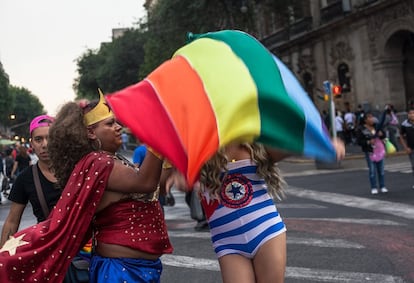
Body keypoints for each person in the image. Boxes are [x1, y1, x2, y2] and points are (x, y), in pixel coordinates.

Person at [0, 92, 172, 282]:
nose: (118, 127)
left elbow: (158, 186)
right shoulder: (99, 162)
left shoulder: (112, 161)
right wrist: (159, 130)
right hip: (121, 269)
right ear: (90, 132)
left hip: (138, 267)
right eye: (109, 124)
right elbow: (145, 183)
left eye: (116, 122)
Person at [168, 140, 345, 283]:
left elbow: (292, 143)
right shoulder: (195, 147)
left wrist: (323, 144)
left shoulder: (254, 144)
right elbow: (174, 178)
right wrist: (179, 173)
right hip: (227, 243)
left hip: (266, 232)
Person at [0, 115, 58, 247]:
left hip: (84, 251)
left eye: (50, 138)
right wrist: (2, 256)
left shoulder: (77, 169)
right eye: (39, 139)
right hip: (49, 249)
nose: (45, 145)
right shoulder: (25, 178)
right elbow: (12, 221)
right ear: (32, 143)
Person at [356, 112, 388, 195]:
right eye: (369, 117)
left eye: (372, 117)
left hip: (379, 150)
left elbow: (383, 135)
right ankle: (374, 187)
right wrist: (368, 142)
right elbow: (359, 141)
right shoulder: (361, 129)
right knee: (372, 170)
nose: (372, 118)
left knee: (381, 170)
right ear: (365, 120)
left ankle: (382, 186)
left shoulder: (377, 126)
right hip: (370, 151)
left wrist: (382, 135)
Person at [399, 107, 414, 189]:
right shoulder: (404, 124)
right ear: (407, 115)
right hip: (411, 148)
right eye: (410, 113)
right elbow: (401, 135)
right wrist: (405, 147)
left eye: (413, 113)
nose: (412, 115)